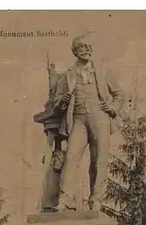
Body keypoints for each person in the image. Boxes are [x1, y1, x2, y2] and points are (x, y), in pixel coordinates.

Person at [53, 35, 124, 211]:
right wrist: (64, 101)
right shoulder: (67, 76)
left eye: (89, 46)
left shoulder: (102, 72)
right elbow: (56, 105)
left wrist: (112, 107)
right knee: (70, 158)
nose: (87, 50)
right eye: (83, 47)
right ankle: (65, 200)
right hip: (77, 120)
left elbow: (120, 94)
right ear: (75, 51)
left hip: (99, 118)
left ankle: (96, 200)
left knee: (99, 160)